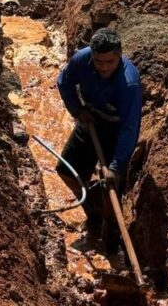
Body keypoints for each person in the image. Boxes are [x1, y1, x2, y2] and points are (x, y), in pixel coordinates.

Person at [55, 28, 142, 248]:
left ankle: (111, 238)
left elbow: (130, 128)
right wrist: (77, 110)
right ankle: (92, 214)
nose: (104, 67)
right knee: (66, 170)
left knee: (110, 187)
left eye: (110, 62)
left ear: (119, 55)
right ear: (92, 55)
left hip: (116, 130)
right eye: (99, 61)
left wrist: (115, 166)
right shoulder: (82, 59)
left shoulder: (128, 83)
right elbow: (64, 82)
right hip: (91, 120)